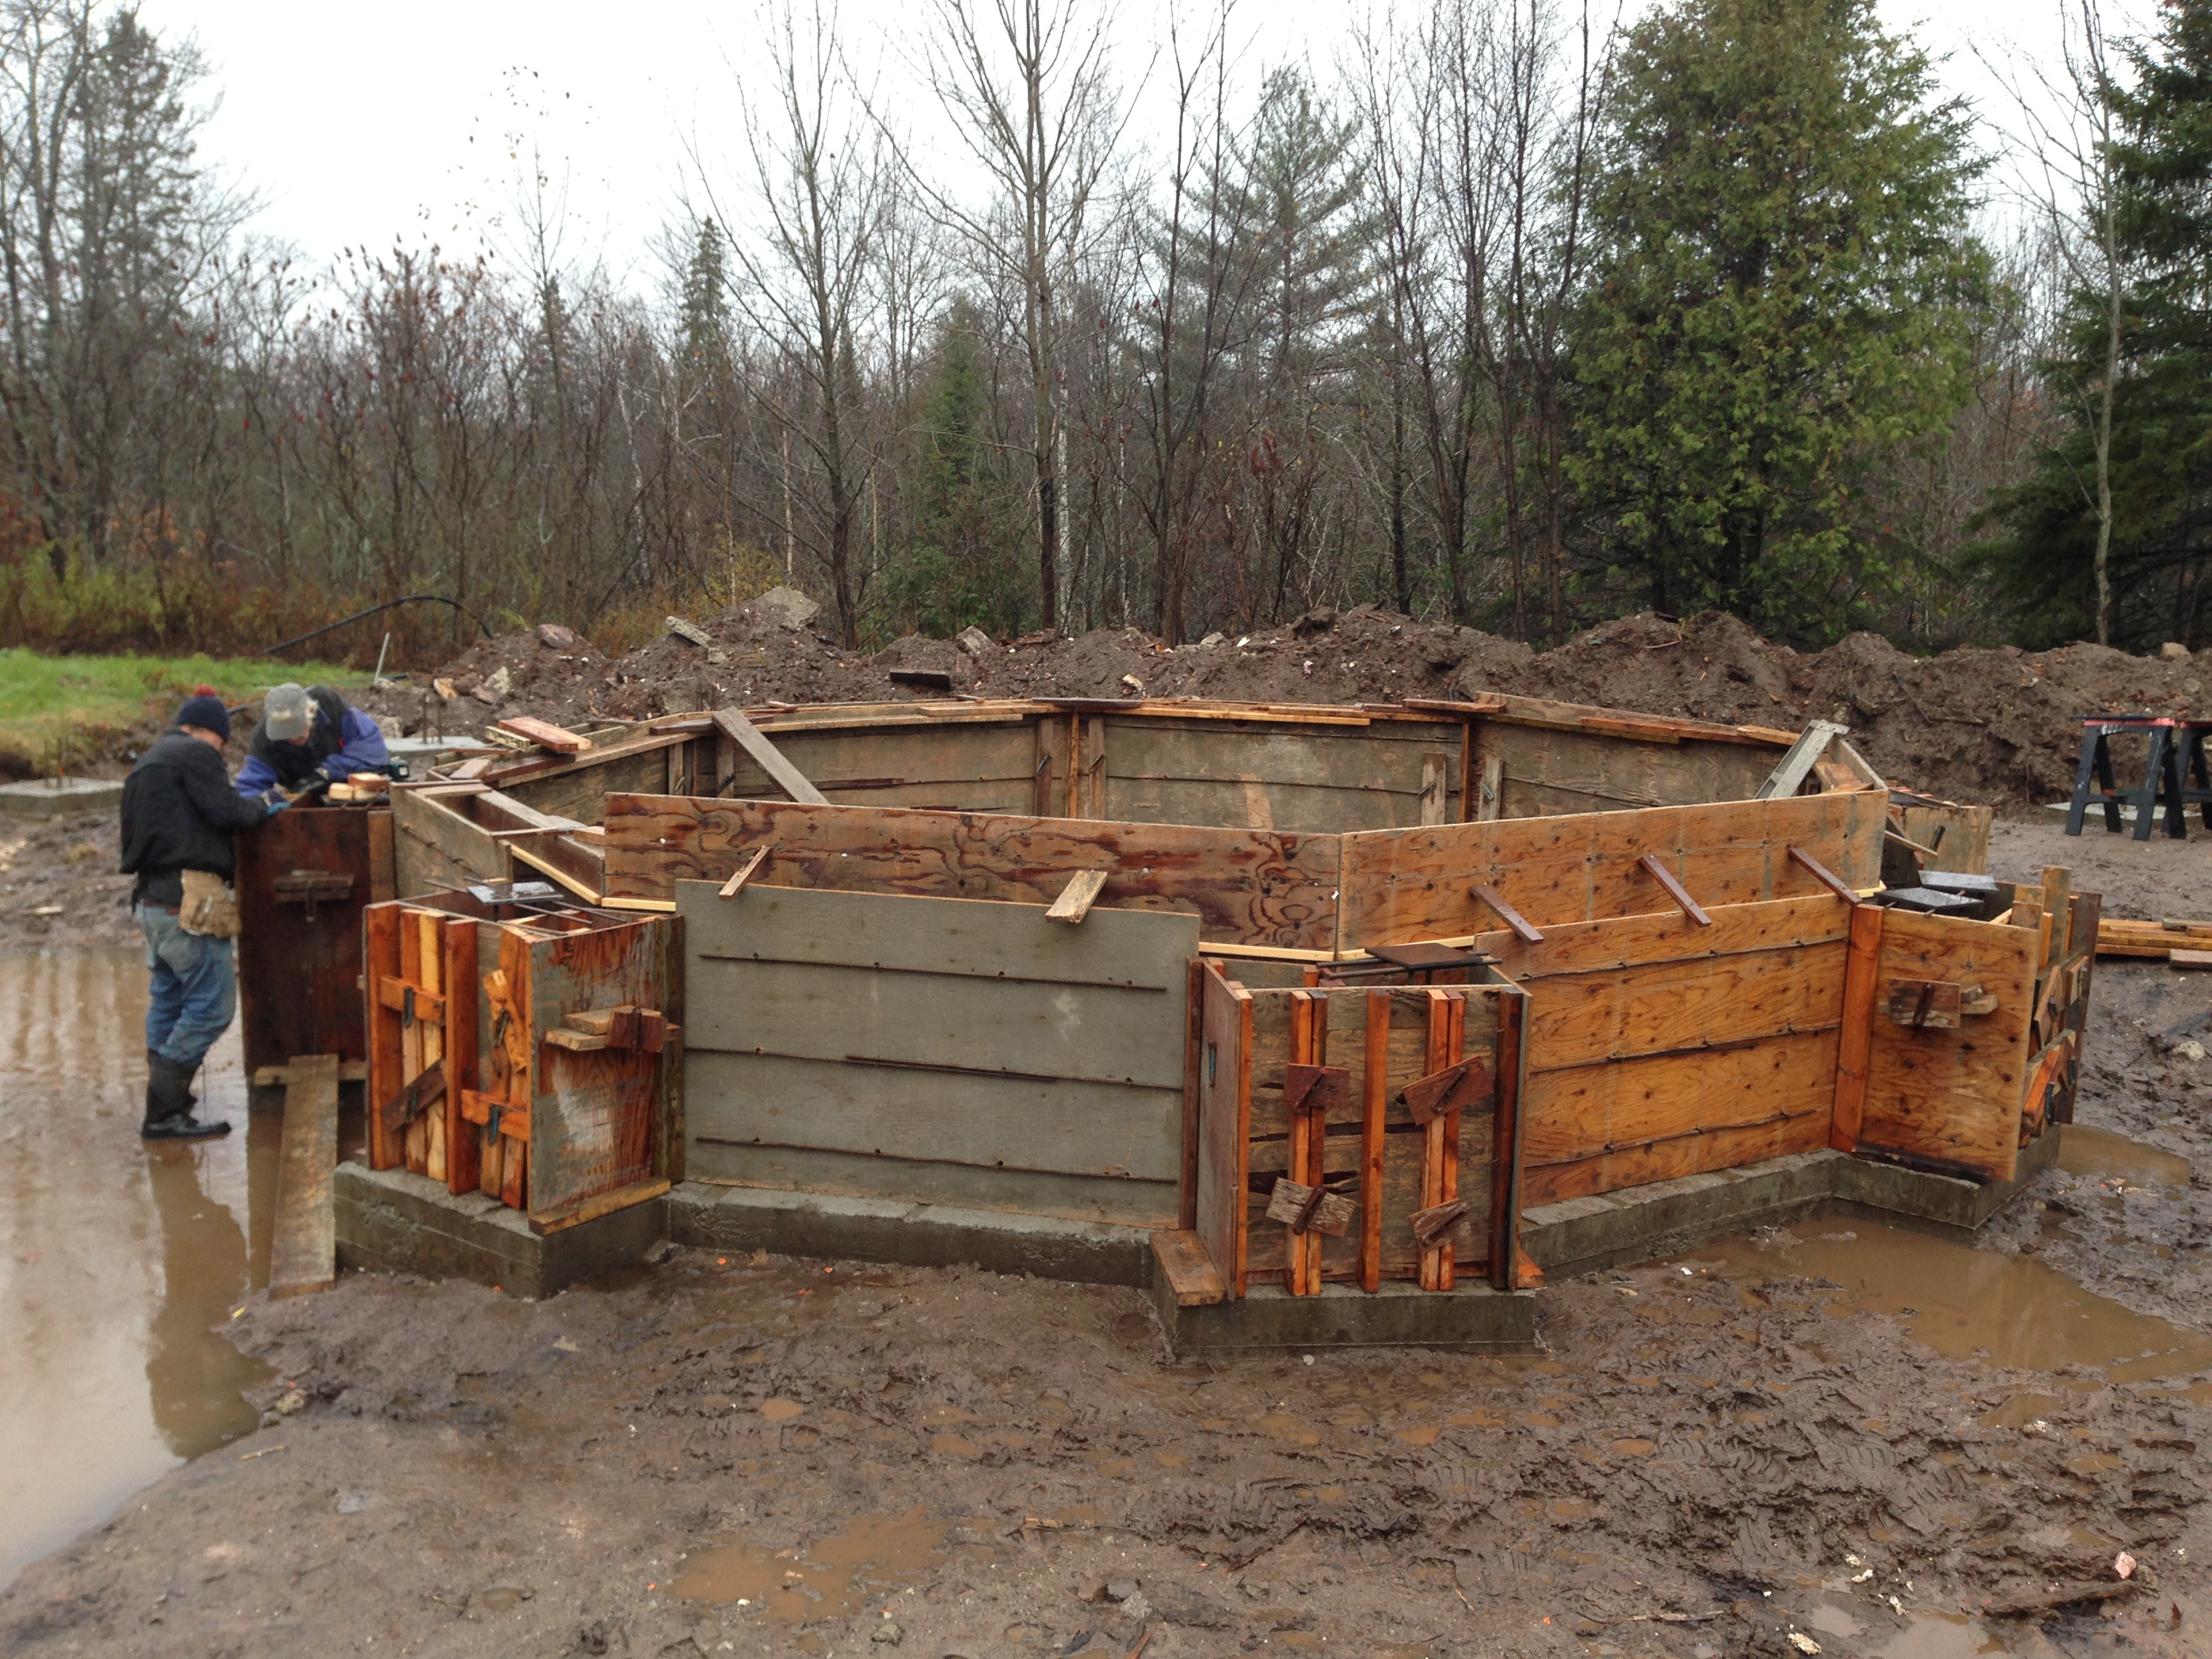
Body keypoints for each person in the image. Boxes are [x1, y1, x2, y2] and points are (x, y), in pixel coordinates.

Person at [119, 693, 285, 1141]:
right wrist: (265, 802)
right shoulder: (195, 754)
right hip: (188, 902)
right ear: (210, 731)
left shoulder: (148, 763)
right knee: (212, 1006)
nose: (221, 752)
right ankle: (164, 1113)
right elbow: (229, 811)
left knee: (170, 998)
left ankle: (165, 1099)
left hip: (151, 902)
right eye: (222, 743)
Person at [232, 682, 390, 798]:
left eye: (298, 733)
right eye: (285, 736)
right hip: (303, 798)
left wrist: (326, 773)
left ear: (311, 713)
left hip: (352, 793)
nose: (293, 739)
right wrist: (270, 801)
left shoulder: (329, 704)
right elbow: (248, 786)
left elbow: (372, 747)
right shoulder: (264, 738)